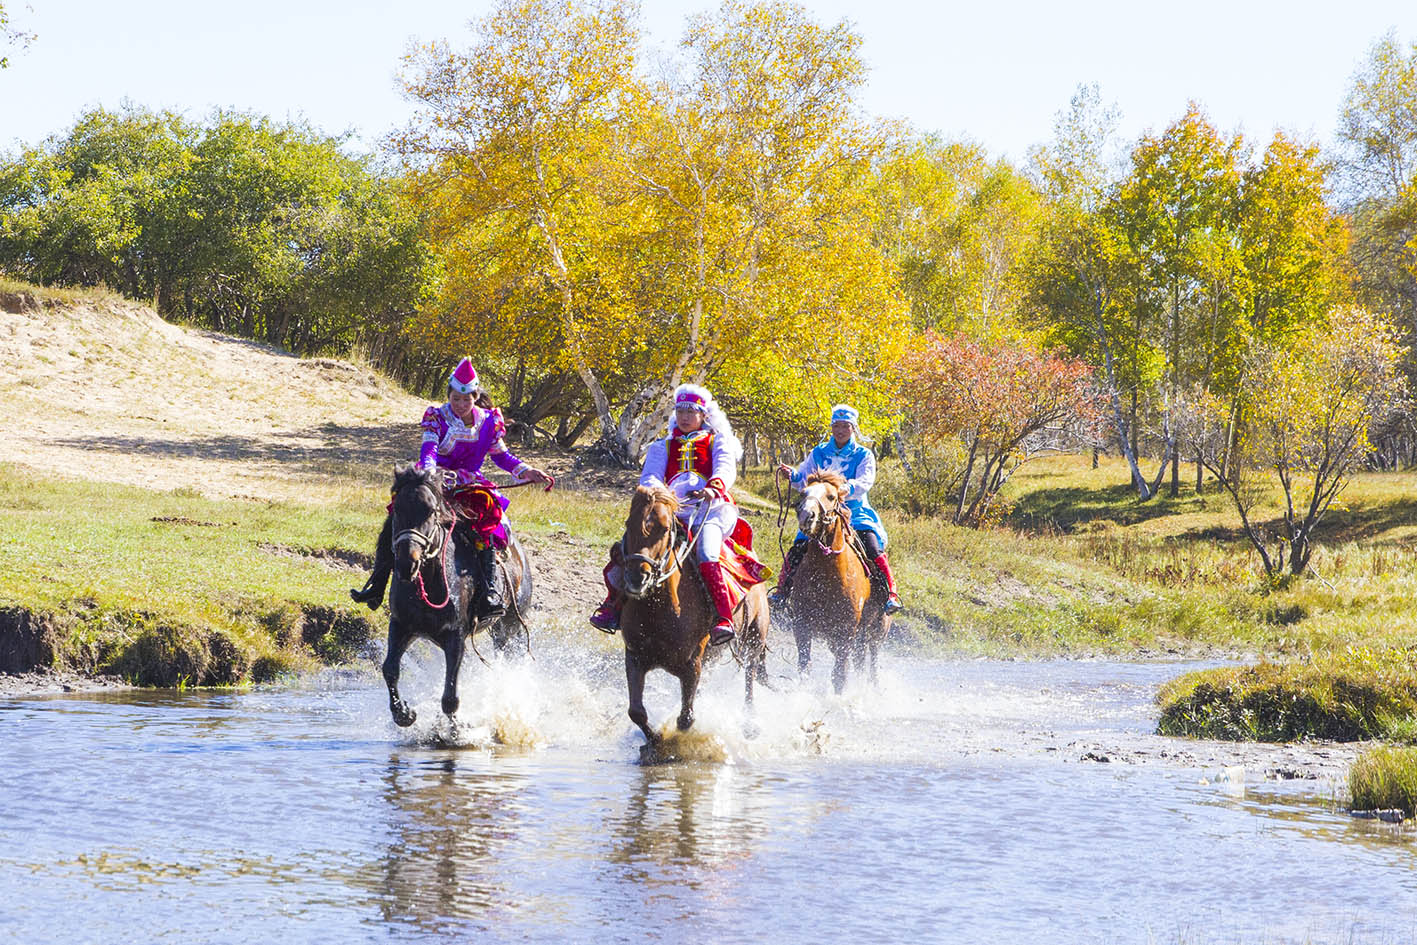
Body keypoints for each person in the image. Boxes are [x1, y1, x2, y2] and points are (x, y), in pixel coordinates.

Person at [350, 358, 553, 616]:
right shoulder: (437, 418)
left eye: (466, 400)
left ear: (475, 397)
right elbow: (429, 451)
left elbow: (502, 457)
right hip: (435, 482)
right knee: (398, 517)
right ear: (449, 396)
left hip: (471, 486)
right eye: (456, 399)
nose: (460, 405)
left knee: (489, 520)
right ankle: (377, 584)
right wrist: (432, 475)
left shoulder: (490, 422)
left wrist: (527, 472)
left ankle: (489, 589)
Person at [590, 383, 742, 646]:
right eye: (680, 411)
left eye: (691, 412)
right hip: (671, 511)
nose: (684, 417)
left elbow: (725, 470)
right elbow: (650, 476)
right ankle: (612, 607)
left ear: (703, 415)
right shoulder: (662, 446)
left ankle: (723, 618)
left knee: (706, 552)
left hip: (710, 510)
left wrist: (713, 487)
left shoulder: (718, 441)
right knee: (629, 547)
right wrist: (660, 494)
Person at [770, 403, 902, 615]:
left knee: (872, 548)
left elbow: (865, 482)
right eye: (836, 426)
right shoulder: (819, 452)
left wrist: (846, 488)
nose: (840, 430)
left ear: (853, 428)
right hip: (822, 513)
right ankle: (781, 593)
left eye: (845, 426)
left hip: (855, 512)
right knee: (798, 548)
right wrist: (793, 476)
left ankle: (889, 594)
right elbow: (804, 477)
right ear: (831, 428)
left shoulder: (864, 455)